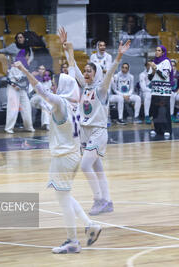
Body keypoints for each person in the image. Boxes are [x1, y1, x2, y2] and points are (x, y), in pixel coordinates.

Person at [14, 61, 102, 254]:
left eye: (56, 84)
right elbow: (51, 102)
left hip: (64, 156)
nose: (53, 86)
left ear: (63, 87)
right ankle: (90, 225)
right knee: (65, 195)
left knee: (63, 200)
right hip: (72, 155)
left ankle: (73, 241)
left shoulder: (61, 103)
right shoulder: (73, 104)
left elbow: (42, 92)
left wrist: (23, 70)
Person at [59, 27, 131, 215]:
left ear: (96, 73)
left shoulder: (101, 89)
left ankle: (98, 199)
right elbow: (73, 68)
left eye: (89, 71)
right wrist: (69, 49)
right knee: (98, 168)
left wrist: (118, 57)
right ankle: (107, 202)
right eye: (85, 71)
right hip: (85, 131)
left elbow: (109, 74)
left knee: (85, 165)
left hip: (98, 131)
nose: (85, 73)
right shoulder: (85, 87)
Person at [5, 50, 34, 133]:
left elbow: (27, 78)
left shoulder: (26, 66)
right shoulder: (14, 65)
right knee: (13, 108)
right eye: (27, 55)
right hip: (13, 88)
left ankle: (28, 127)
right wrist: (15, 85)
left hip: (22, 88)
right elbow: (8, 79)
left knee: (27, 107)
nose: (28, 57)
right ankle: (9, 128)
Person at [148, 45, 173, 136]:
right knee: (155, 110)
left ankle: (167, 129)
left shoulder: (166, 62)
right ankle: (157, 129)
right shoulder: (154, 62)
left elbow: (165, 76)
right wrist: (153, 71)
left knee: (164, 110)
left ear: (163, 52)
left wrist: (156, 68)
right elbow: (150, 77)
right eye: (156, 50)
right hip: (155, 90)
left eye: (159, 50)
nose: (157, 52)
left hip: (164, 91)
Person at [30, 65, 52, 130]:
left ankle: (46, 124)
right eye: (40, 69)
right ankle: (47, 124)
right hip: (35, 99)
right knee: (44, 100)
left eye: (43, 69)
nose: (41, 70)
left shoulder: (48, 79)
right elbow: (30, 91)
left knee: (45, 104)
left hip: (45, 100)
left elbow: (49, 91)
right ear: (38, 70)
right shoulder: (34, 78)